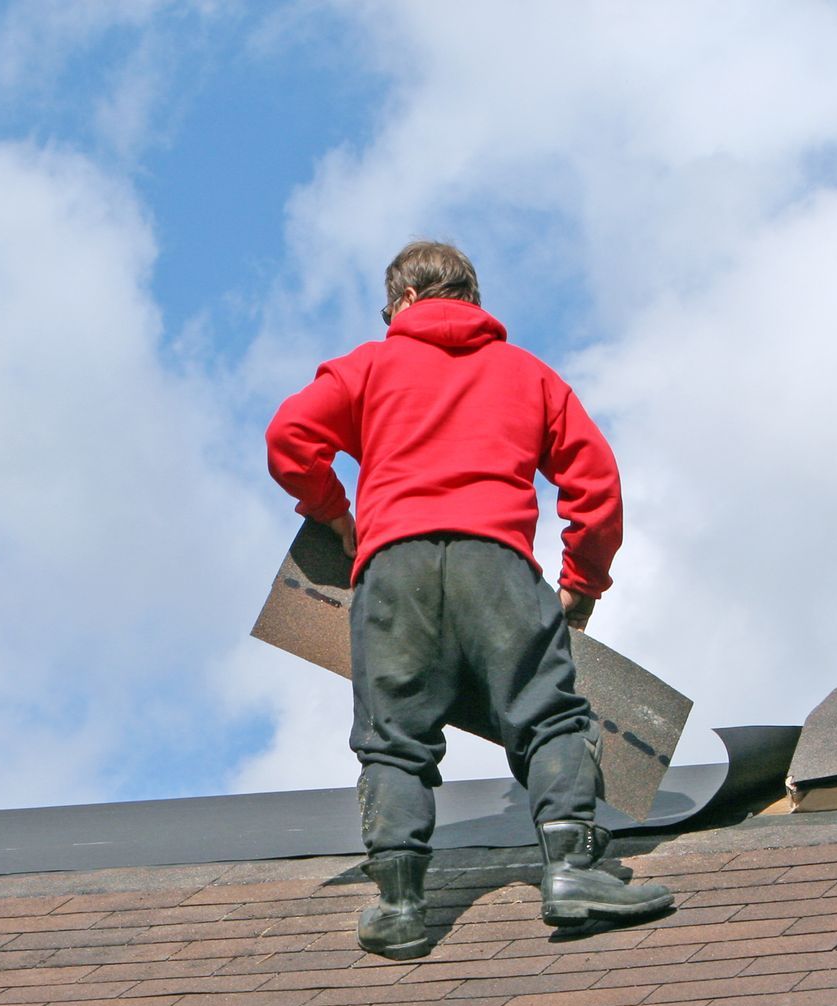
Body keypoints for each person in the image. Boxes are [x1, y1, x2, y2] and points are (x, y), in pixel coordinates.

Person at [265, 240, 673, 960]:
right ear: (472, 300)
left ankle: (398, 904)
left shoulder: (367, 366)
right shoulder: (528, 375)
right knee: (549, 718)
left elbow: (289, 436)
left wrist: (337, 515)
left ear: (402, 303)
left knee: (394, 739)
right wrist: (582, 581)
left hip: (393, 567)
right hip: (499, 566)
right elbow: (596, 484)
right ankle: (573, 869)